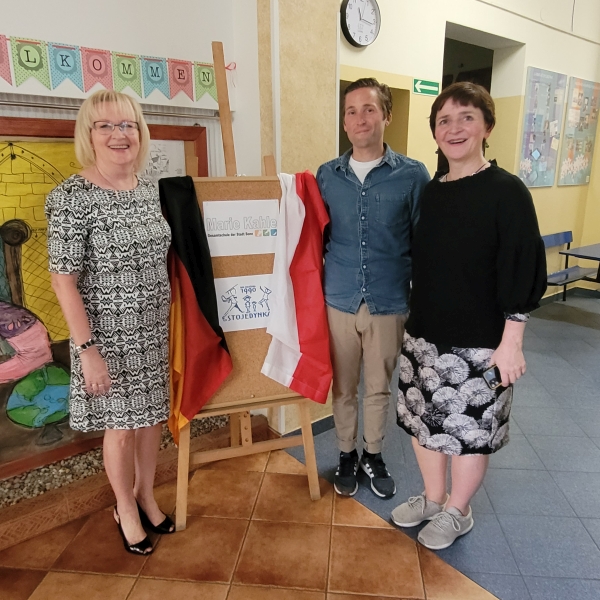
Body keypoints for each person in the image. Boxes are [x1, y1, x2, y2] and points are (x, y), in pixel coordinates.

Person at [391, 82, 547, 549]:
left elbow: (522, 266)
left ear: (487, 127)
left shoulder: (507, 191)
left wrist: (512, 342)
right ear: (434, 131)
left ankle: (458, 510)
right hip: (424, 335)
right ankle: (433, 498)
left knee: (468, 434)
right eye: (444, 120)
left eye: (466, 118)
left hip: (481, 342)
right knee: (424, 423)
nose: (454, 128)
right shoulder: (432, 192)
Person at [46, 90, 174, 555]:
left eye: (128, 125)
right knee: (120, 429)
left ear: (140, 132)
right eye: (106, 126)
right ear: (89, 134)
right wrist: (87, 353)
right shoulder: (71, 197)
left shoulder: (149, 189)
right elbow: (63, 282)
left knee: (151, 421)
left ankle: (146, 494)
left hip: (152, 333)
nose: (119, 134)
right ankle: (124, 506)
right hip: (106, 339)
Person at [317, 78, 430, 498]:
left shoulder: (412, 175)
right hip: (339, 300)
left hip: (389, 300)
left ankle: (373, 454)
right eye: (351, 111)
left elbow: (423, 242)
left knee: (379, 387)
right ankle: (346, 453)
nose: (360, 118)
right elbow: (316, 238)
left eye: (369, 109)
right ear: (344, 122)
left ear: (386, 115)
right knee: (344, 387)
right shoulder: (327, 176)